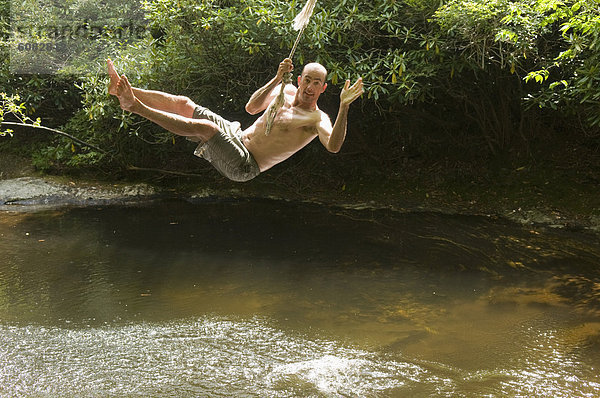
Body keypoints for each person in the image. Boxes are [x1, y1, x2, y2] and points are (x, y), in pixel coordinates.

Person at [107, 58, 363, 182]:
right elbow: (251, 108)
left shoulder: (317, 118)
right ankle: (120, 88)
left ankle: (134, 106)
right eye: (307, 79)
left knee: (206, 128)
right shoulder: (283, 91)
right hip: (236, 136)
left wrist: (344, 106)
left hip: (245, 165)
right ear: (299, 80)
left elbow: (334, 146)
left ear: (323, 88)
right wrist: (276, 78)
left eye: (316, 83)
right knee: (185, 104)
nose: (310, 86)